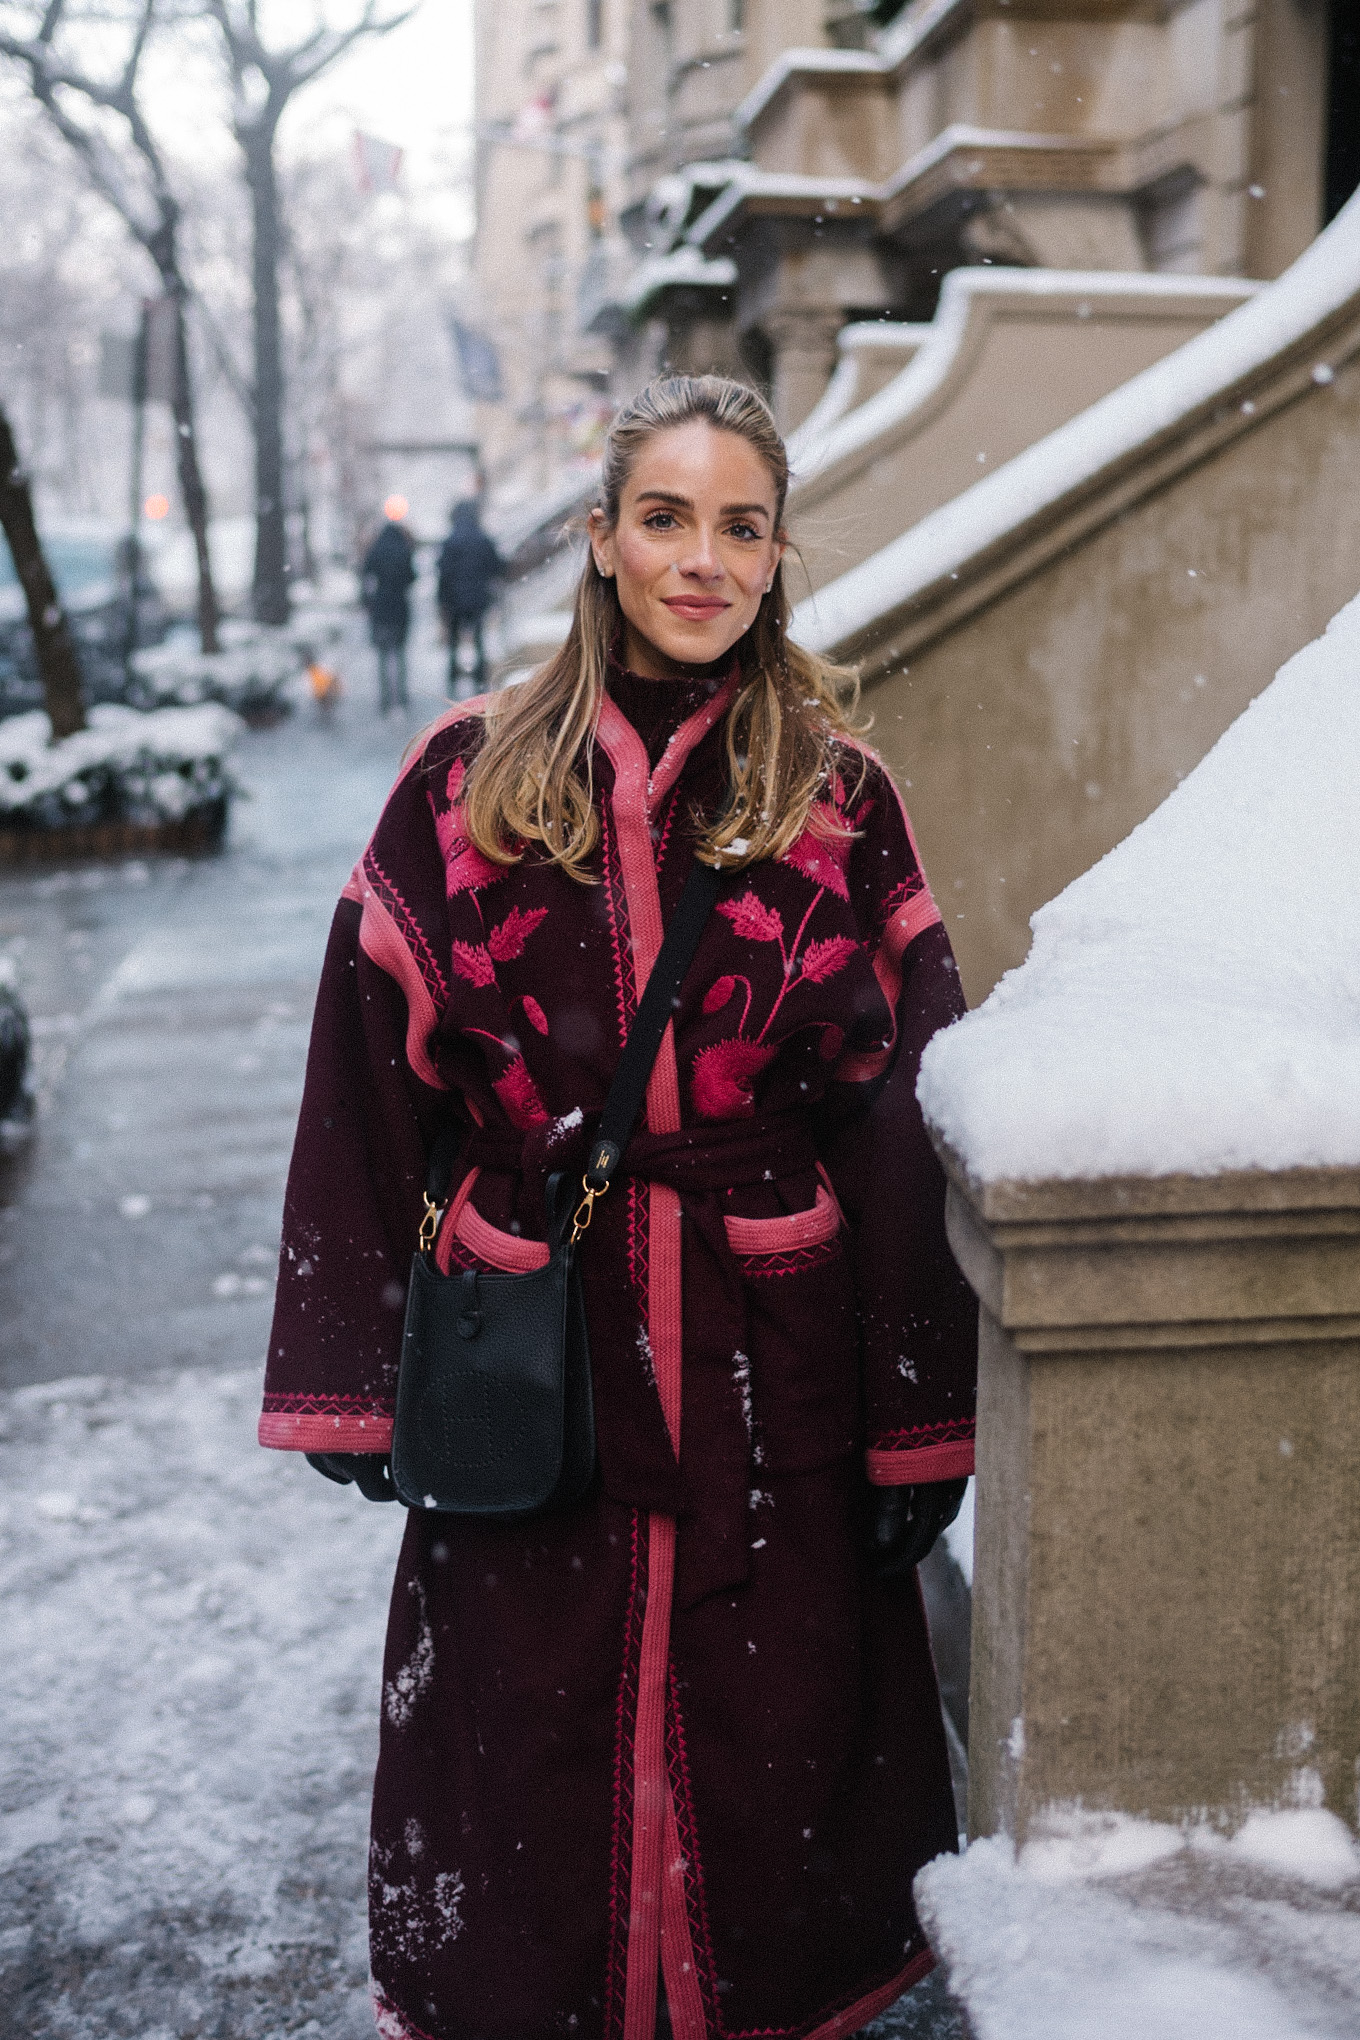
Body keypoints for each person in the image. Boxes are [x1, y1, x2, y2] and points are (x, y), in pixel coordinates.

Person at [260, 376, 976, 2040]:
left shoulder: (841, 799)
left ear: (779, 554)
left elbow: (900, 1117)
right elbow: (366, 1072)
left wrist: (913, 1427)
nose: (701, 560)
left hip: (770, 1352)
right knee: (524, 1723)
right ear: (599, 541)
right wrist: (357, 1375)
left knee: (779, 1720)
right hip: (536, 1345)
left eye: (740, 525)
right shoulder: (466, 785)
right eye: (666, 517)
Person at [435, 496, 502, 696]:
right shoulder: (483, 539)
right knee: (479, 641)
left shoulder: (450, 541)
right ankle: (479, 685)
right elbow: (496, 567)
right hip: (478, 599)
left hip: (455, 601)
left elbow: (443, 573)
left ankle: (452, 684)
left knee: (454, 644)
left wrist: (442, 601)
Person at [361, 515, 417, 712]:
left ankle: (385, 697)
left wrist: (367, 602)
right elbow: (412, 577)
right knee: (400, 652)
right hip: (399, 606)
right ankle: (401, 696)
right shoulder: (403, 550)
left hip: (380, 607)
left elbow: (365, 576)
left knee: (383, 654)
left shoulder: (375, 550)